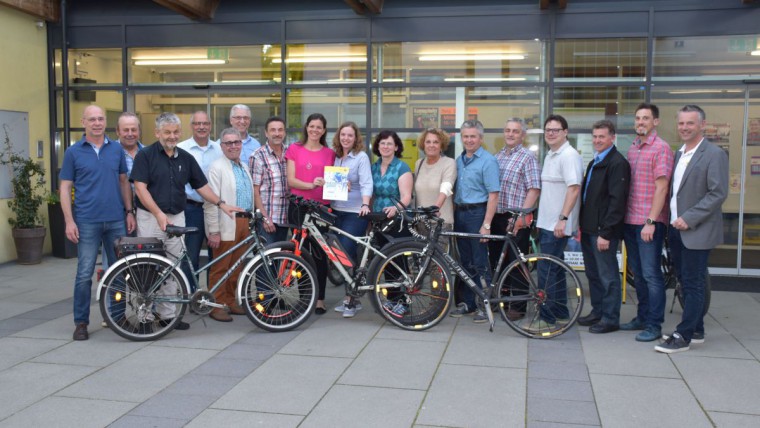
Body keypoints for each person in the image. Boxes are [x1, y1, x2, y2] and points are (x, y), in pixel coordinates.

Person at [131, 113, 240, 331]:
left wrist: (221, 204)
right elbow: (140, 188)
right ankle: (144, 317)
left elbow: (201, 186)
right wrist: (158, 213)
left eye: (175, 132)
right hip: (151, 217)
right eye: (167, 132)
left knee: (173, 267)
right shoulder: (145, 155)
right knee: (147, 268)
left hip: (176, 216)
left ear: (180, 133)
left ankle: (168, 317)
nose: (172, 136)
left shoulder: (185, 157)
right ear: (157, 133)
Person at [656, 105, 728, 354]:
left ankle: (683, 335)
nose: (684, 128)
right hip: (677, 229)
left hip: (696, 229)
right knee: (685, 280)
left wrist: (689, 218)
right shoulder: (680, 153)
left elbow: (717, 193)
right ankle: (697, 330)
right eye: (681, 123)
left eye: (690, 123)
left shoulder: (714, 154)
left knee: (694, 283)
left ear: (702, 125)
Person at [59, 105, 136, 341]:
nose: (96, 123)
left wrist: (129, 211)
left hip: (115, 220)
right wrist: (69, 221)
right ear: (83, 122)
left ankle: (117, 316)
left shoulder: (116, 149)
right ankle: (81, 322)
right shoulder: (73, 152)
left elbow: (124, 181)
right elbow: (64, 187)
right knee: (84, 274)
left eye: (100, 119)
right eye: (92, 119)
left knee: (118, 272)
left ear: (106, 122)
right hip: (86, 221)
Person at [620, 103, 675, 342]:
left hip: (648, 222)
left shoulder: (661, 149)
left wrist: (651, 221)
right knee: (639, 274)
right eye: (638, 118)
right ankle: (642, 317)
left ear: (656, 122)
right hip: (631, 221)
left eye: (646, 118)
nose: (641, 122)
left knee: (652, 275)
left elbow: (662, 187)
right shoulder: (633, 147)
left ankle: (654, 324)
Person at [578, 120, 630, 334]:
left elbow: (617, 202)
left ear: (612, 138)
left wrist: (606, 233)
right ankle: (597, 312)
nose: (597, 140)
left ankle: (610, 318)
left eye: (602, 136)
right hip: (589, 229)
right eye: (595, 136)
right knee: (593, 274)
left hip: (603, 232)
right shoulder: (594, 162)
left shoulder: (617, 163)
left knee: (608, 277)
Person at [488, 118, 541, 321]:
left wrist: (520, 216)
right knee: (497, 261)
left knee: (517, 262)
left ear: (523, 135)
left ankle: (517, 306)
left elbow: (534, 189)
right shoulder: (498, 156)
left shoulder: (528, 157)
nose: (510, 134)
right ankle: (501, 300)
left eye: (515, 131)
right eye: (508, 130)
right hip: (497, 217)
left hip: (516, 218)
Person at [449, 120, 500, 323]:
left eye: (473, 136)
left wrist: (486, 224)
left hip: (478, 214)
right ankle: (469, 303)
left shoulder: (488, 161)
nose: (469, 140)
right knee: (465, 262)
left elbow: (493, 194)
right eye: (465, 136)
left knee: (480, 263)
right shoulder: (459, 161)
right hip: (460, 214)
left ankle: (486, 305)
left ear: (481, 138)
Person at [536, 114, 584, 331]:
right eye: (548, 130)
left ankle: (546, 317)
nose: (551, 133)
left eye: (555, 130)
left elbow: (574, 189)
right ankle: (561, 312)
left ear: (565, 132)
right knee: (555, 269)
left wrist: (563, 219)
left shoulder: (569, 155)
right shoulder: (551, 155)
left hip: (556, 225)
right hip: (547, 223)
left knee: (545, 270)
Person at [286, 113, 336, 314]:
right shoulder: (294, 149)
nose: (315, 130)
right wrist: (310, 184)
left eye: (319, 127)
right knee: (300, 253)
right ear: (306, 127)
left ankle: (320, 299)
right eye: (312, 126)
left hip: (321, 208)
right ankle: (304, 297)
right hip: (299, 207)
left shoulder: (329, 153)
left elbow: (333, 182)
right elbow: (291, 180)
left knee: (320, 254)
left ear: (324, 131)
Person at [203, 128, 254, 322]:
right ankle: (215, 305)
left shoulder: (243, 165)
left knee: (236, 266)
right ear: (221, 146)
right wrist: (214, 231)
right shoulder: (216, 167)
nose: (233, 146)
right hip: (226, 223)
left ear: (241, 144)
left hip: (243, 223)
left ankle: (231, 301)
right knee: (220, 267)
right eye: (228, 143)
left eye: (236, 142)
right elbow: (210, 201)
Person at [330, 122, 373, 318]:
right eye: (343, 135)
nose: (346, 138)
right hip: (336, 210)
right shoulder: (336, 157)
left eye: (350, 135)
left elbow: (366, 183)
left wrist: (365, 205)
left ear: (356, 138)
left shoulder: (361, 157)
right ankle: (351, 296)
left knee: (346, 251)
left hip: (356, 212)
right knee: (341, 254)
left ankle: (352, 298)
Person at [371, 130, 414, 317]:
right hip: (378, 220)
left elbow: (407, 197)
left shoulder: (402, 167)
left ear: (396, 147)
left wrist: (396, 208)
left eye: (389, 144)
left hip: (396, 221)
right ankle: (391, 300)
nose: (385, 147)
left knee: (398, 263)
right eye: (382, 143)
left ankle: (403, 302)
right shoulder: (374, 167)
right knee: (384, 262)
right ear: (378, 146)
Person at [177, 111, 222, 288]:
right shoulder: (181, 149)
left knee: (216, 255)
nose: (201, 127)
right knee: (190, 255)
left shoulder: (219, 149)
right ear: (191, 126)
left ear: (210, 126)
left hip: (216, 209)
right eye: (197, 124)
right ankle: (191, 294)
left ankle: (213, 295)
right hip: (191, 209)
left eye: (205, 123)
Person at [413, 127, 457, 249]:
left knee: (436, 263)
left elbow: (446, 187)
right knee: (421, 261)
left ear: (441, 145)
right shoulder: (419, 164)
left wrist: (434, 209)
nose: (431, 145)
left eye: (436, 142)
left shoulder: (449, 163)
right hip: (421, 222)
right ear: (423, 144)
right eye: (428, 142)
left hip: (440, 221)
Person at [250, 116, 290, 244]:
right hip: (267, 221)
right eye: (273, 130)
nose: (277, 133)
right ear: (266, 133)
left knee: (281, 261)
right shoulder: (257, 156)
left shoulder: (290, 153)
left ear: (284, 132)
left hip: (286, 219)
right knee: (267, 261)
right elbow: (255, 191)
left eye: (280, 130)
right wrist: (265, 219)